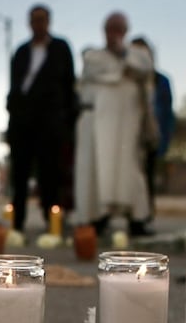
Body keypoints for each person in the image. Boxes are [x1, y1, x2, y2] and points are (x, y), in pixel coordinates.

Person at [73, 12, 154, 235]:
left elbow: (144, 70)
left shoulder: (138, 54)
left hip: (126, 125)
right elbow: (99, 73)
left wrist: (123, 56)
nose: (114, 34)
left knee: (129, 168)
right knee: (96, 167)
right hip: (97, 122)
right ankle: (95, 217)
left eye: (119, 29)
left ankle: (136, 218)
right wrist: (123, 70)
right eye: (111, 29)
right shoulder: (94, 56)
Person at [6, 4, 76, 232]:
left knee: (50, 172)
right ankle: (17, 223)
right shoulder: (22, 51)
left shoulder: (60, 48)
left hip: (50, 120)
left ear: (48, 21)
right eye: (34, 19)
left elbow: (68, 84)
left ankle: (52, 220)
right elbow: (15, 84)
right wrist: (13, 109)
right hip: (23, 120)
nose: (38, 24)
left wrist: (67, 120)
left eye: (42, 19)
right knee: (20, 172)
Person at [131, 37, 174, 218]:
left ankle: (146, 212)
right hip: (130, 134)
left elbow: (166, 112)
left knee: (147, 174)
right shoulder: (129, 79)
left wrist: (164, 139)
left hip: (150, 133)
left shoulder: (160, 80)